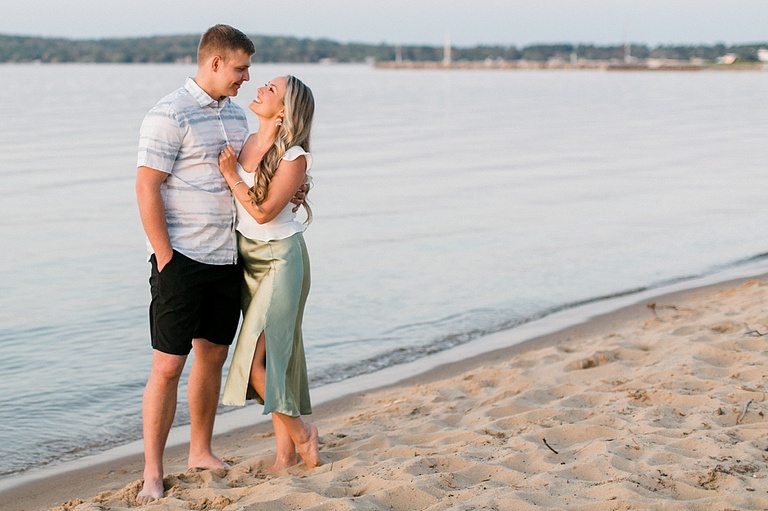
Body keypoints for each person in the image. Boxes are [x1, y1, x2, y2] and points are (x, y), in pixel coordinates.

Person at [135, 25, 272, 504]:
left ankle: (200, 451)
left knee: (212, 356)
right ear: (215, 63)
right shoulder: (169, 113)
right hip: (183, 260)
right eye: (240, 67)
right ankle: (153, 471)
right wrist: (166, 257)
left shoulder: (236, 116)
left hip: (227, 257)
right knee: (169, 364)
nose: (246, 77)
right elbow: (146, 186)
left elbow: (250, 177)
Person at [217, 75, 320, 472]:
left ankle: (302, 434)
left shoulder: (293, 156)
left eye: (271, 90)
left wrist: (230, 176)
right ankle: (285, 455)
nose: (260, 88)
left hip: (281, 260)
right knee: (278, 359)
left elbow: (263, 211)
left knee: (254, 362)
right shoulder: (246, 141)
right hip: (249, 261)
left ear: (283, 111)